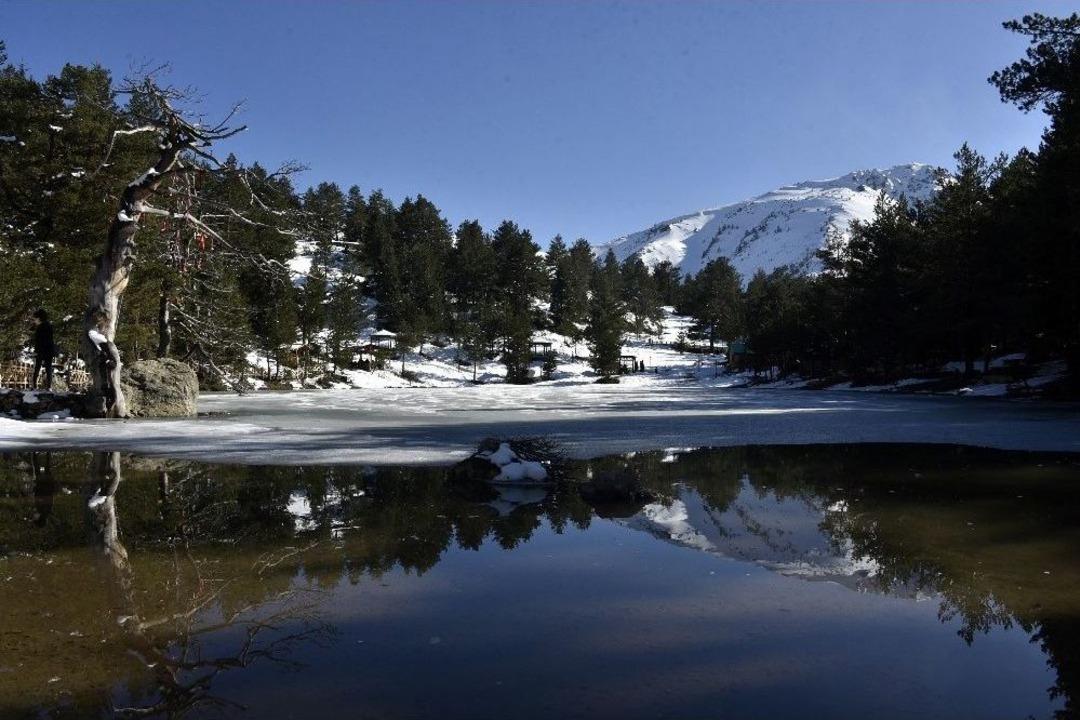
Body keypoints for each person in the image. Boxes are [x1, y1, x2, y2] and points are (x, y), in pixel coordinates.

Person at [30, 309, 55, 391]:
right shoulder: (49, 325)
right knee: (48, 368)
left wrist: (36, 351)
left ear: (39, 318)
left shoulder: (40, 327)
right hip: (49, 349)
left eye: (35, 318)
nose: (34, 320)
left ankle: (34, 386)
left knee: (37, 368)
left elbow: (39, 341)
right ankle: (49, 387)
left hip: (41, 350)